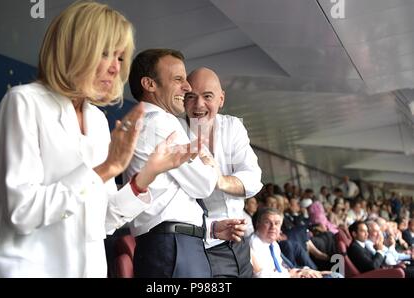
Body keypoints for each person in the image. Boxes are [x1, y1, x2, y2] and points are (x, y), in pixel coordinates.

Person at [0, 2, 196, 278]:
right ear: (73, 48)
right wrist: (107, 168)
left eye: (120, 57)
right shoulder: (23, 102)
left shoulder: (96, 120)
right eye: (105, 53)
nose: (115, 68)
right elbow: (23, 213)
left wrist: (148, 174)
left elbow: (101, 221)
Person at [125, 49, 246, 278]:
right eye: (178, 79)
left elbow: (169, 198)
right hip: (173, 249)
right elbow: (204, 185)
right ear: (149, 84)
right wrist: (210, 165)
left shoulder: (146, 120)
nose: (187, 87)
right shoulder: (161, 123)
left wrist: (208, 228)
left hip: (170, 246)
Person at [182, 67, 263, 277]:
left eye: (207, 96)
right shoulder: (176, 134)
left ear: (221, 98)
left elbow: (254, 179)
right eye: (191, 97)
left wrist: (220, 180)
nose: (199, 105)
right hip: (204, 247)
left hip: (240, 242)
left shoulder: (232, 126)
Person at [250, 208, 336, 278]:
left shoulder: (273, 244)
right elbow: (261, 276)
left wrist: (307, 271)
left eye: (277, 223)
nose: (273, 227)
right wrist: (291, 274)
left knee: (334, 275)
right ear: (258, 224)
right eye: (267, 222)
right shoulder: (252, 245)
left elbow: (281, 269)